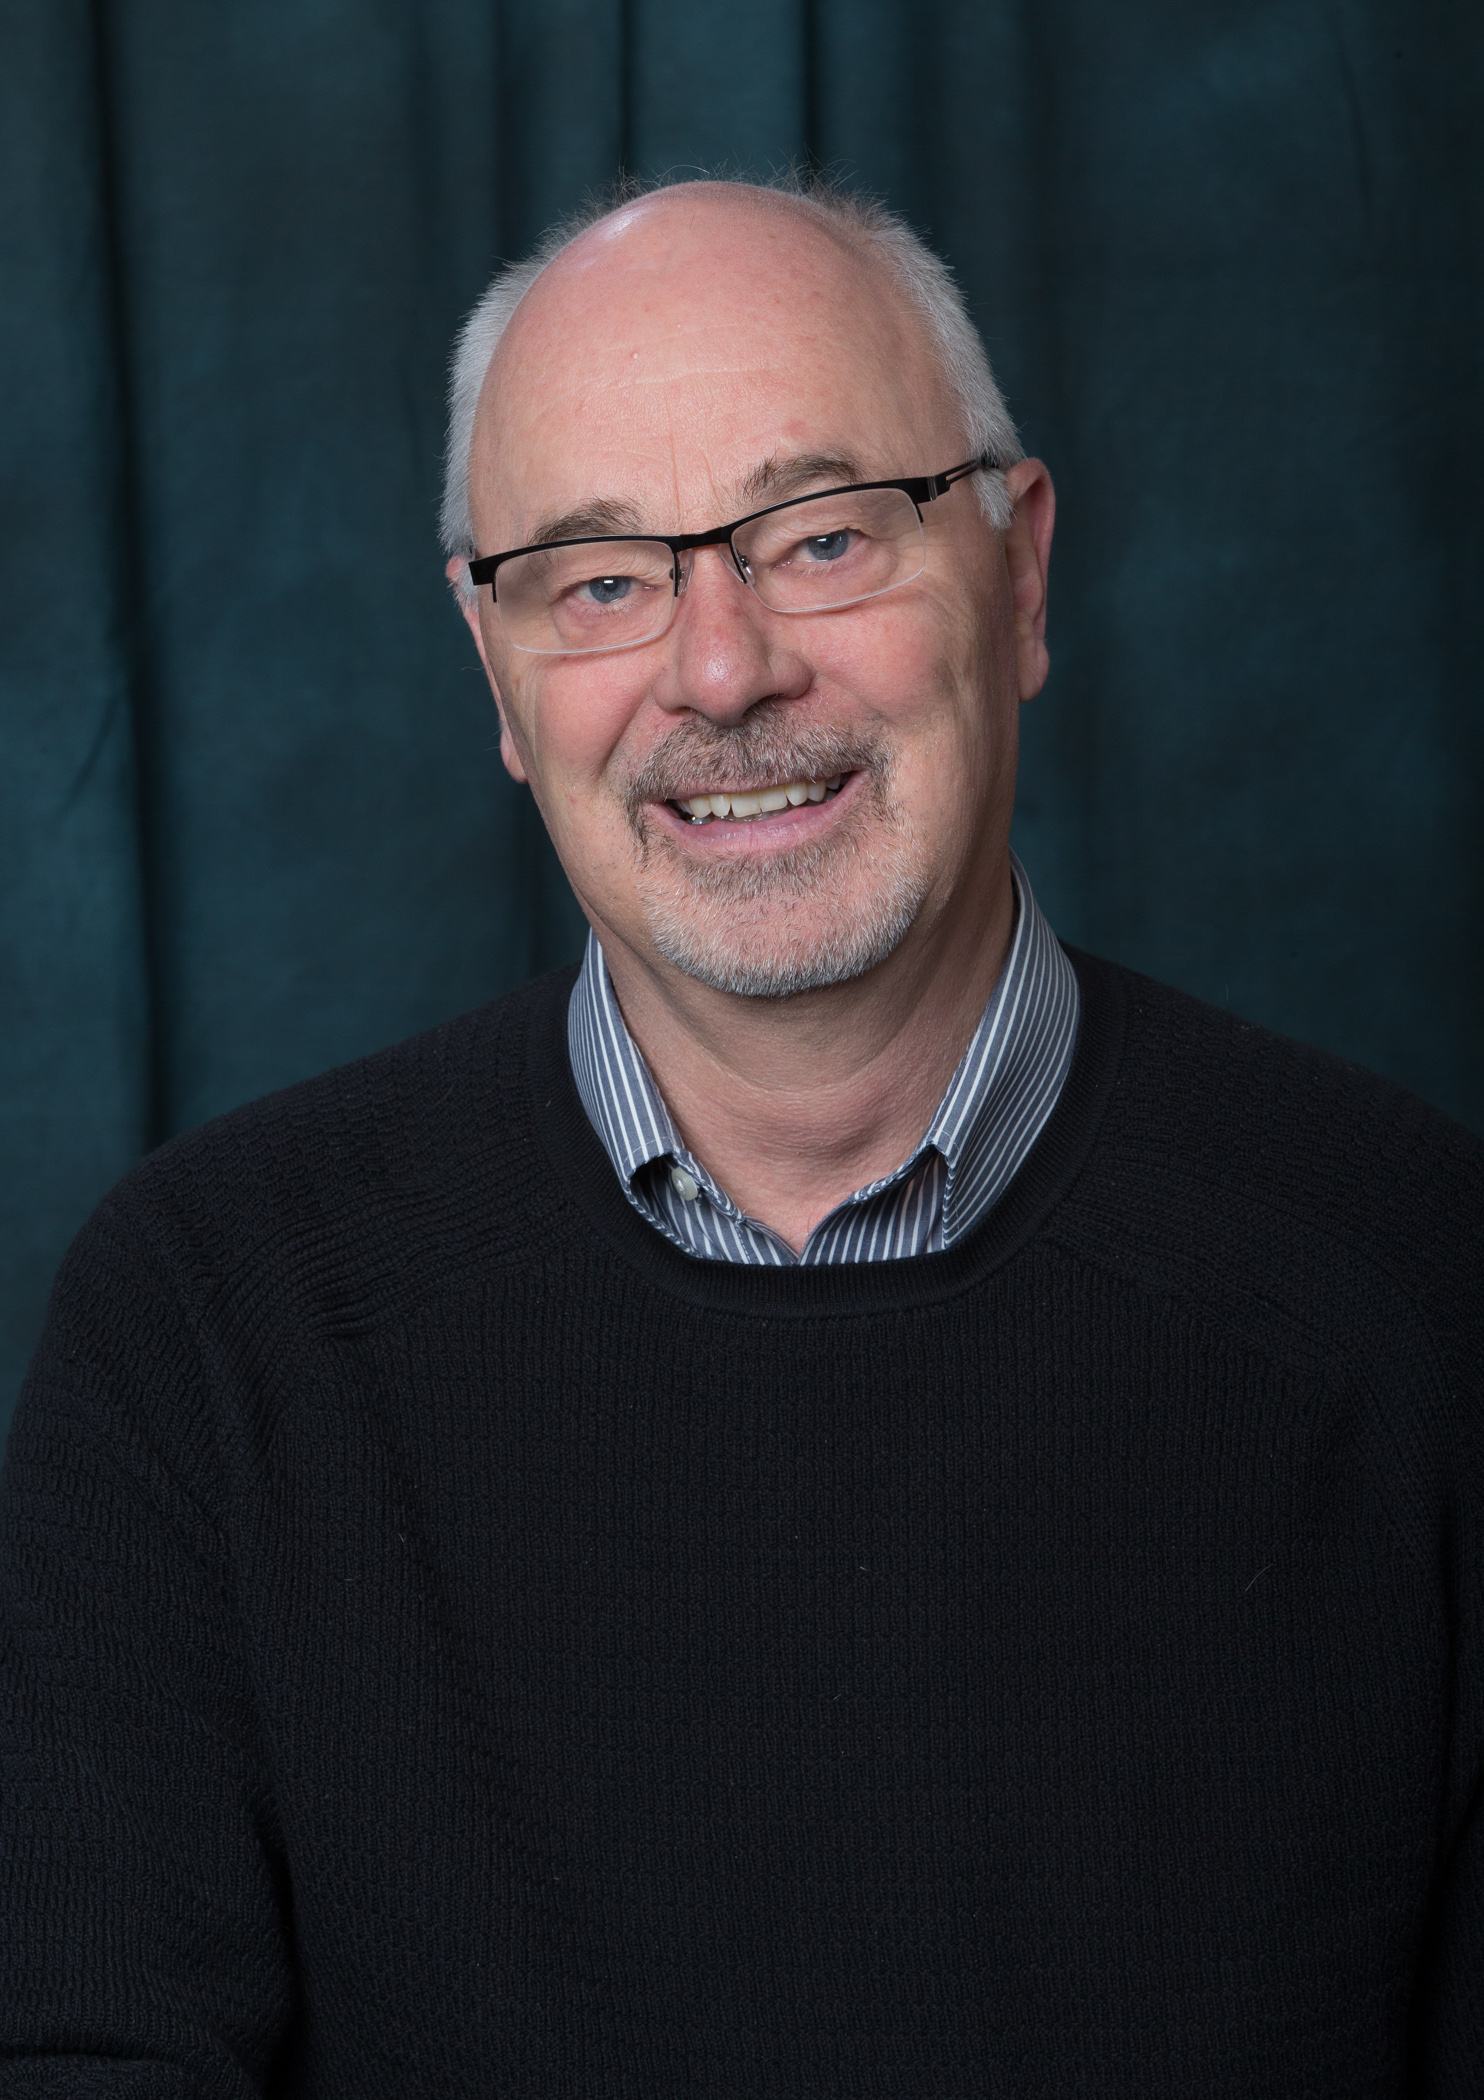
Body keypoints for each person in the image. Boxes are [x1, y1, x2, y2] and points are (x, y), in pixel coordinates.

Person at [2, 174, 1480, 2097]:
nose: (722, 672)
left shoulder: (1424, 1292)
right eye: (602, 581)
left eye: (825, 536)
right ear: (496, 672)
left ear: (1021, 574)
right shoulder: (207, 1329)